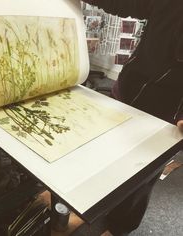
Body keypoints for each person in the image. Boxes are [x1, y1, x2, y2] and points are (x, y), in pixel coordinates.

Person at [81, 0, 183, 235]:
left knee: (140, 177)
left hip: (166, 114)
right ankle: (96, 203)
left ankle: (119, 228)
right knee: (107, 153)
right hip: (128, 89)